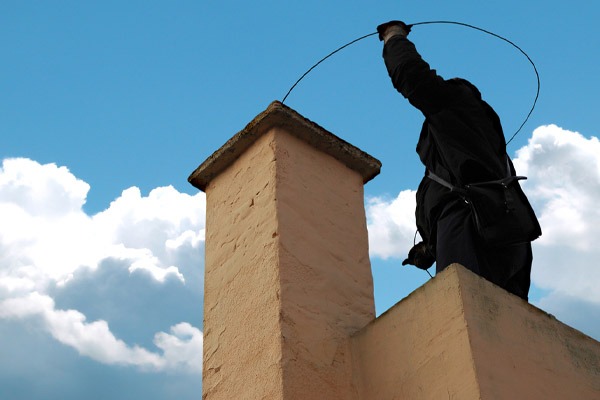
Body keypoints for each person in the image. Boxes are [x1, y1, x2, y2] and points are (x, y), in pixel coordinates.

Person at [377, 20, 534, 300]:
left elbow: (412, 76)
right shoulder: (474, 144)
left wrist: (393, 36)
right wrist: (432, 245)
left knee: (462, 305)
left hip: (470, 225)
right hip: (499, 232)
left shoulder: (455, 106)